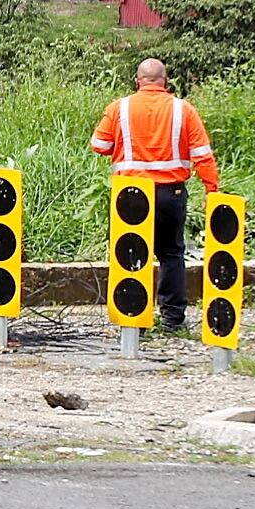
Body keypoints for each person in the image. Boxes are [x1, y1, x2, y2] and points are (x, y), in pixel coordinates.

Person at [90, 57, 221, 332]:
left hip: (131, 194)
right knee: (171, 253)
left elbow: (99, 144)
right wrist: (212, 190)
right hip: (170, 192)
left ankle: (133, 318)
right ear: (166, 81)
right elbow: (202, 155)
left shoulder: (119, 108)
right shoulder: (184, 110)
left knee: (131, 252)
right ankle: (172, 319)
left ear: (137, 81)